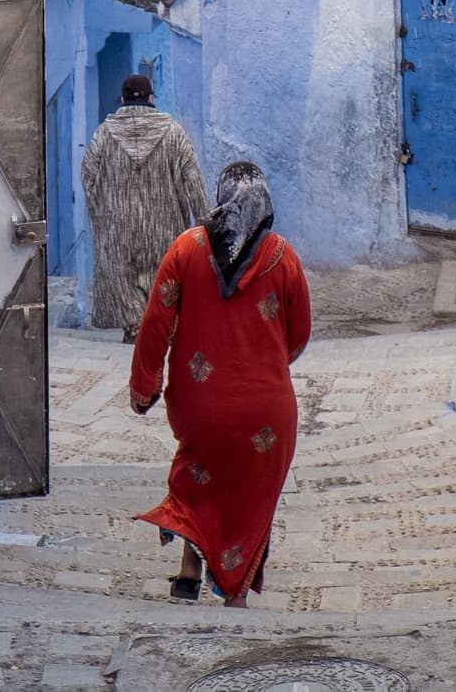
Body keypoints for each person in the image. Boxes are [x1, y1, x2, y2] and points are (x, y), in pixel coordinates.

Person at [127, 160, 312, 607]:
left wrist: (145, 385)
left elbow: (155, 322)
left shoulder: (186, 249)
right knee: (250, 490)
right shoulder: (283, 258)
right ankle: (236, 591)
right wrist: (264, 363)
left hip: (200, 404)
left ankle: (189, 573)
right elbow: (300, 333)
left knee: (199, 477)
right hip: (265, 409)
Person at [81, 73, 208, 341]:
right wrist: (206, 226)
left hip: (119, 234)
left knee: (127, 292)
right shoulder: (173, 133)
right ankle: (162, 333)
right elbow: (193, 181)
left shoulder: (104, 135)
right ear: (152, 99)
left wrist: (105, 210)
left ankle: (135, 332)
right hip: (164, 231)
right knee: (164, 286)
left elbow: (88, 177)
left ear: (123, 100)